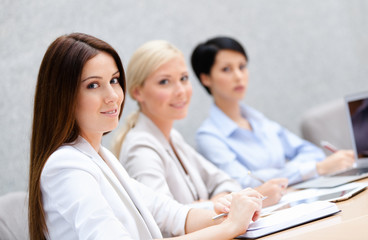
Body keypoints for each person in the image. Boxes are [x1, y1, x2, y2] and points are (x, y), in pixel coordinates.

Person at [28, 33, 263, 240]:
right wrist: (229, 226)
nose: (112, 96)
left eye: (114, 80)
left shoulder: (101, 158)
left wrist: (224, 213)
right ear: (63, 96)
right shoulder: (67, 166)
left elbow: (173, 215)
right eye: (93, 85)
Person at [112, 40, 285, 208]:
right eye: (164, 82)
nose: (180, 91)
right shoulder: (141, 148)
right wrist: (225, 204)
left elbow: (226, 182)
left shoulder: (173, 137)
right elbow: (167, 220)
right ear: (137, 92)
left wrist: (212, 204)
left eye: (184, 78)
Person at [190, 36, 355, 188]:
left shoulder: (258, 120)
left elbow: (312, 152)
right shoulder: (209, 136)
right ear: (205, 78)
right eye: (226, 69)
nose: (239, 76)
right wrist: (312, 169)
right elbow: (244, 182)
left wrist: (289, 171)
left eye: (242, 67)